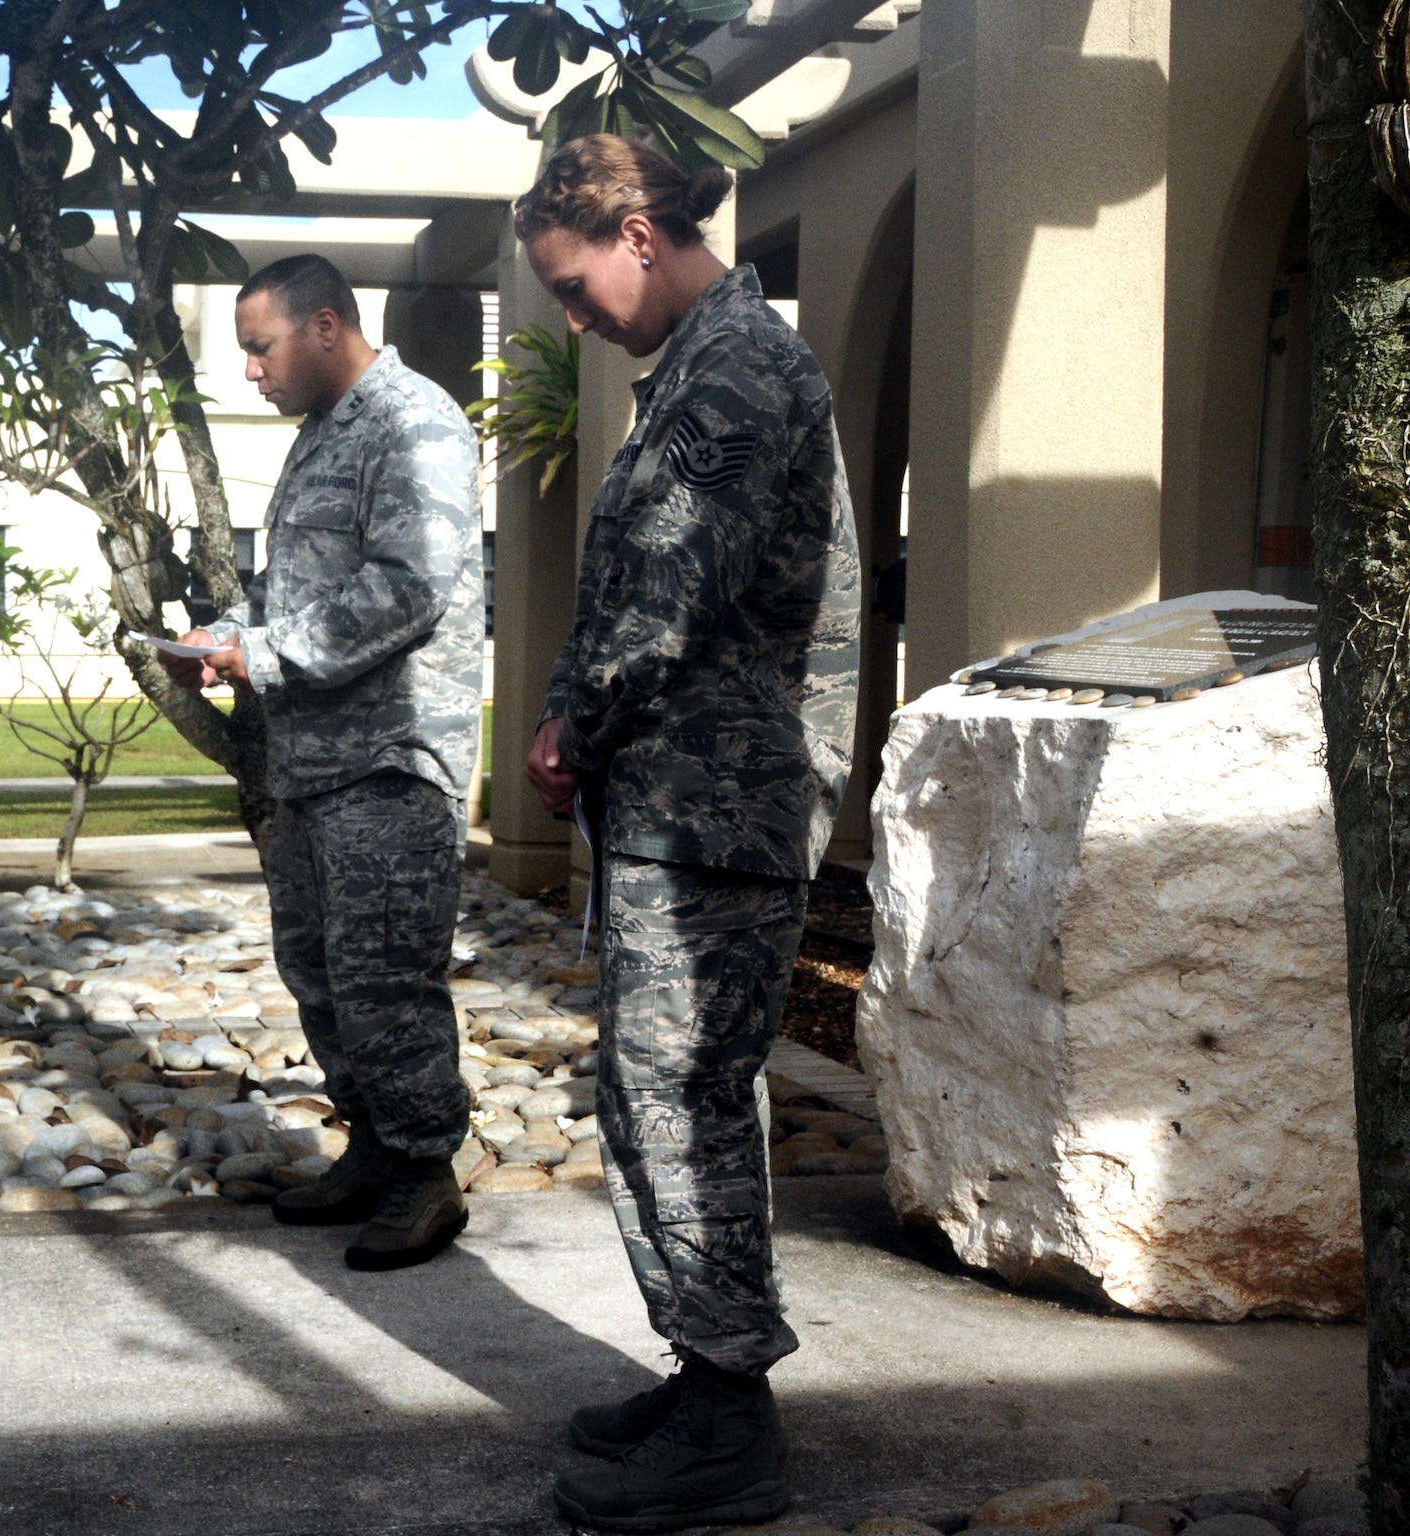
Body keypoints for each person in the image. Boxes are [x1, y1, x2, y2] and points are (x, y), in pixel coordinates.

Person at [516, 136, 862, 1530]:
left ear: (641, 233)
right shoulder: (692, 373)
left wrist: (573, 727)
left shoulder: (736, 372)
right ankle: (711, 1372)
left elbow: (664, 598)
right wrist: (568, 718)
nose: (571, 315)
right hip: (678, 805)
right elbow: (624, 590)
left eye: (575, 282)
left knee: (682, 1100)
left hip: (720, 810)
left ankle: (728, 1416)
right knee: (669, 1096)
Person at [158, 253, 485, 1272]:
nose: (250, 370)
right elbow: (296, 591)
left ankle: (426, 1175)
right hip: (313, 765)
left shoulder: (410, 423)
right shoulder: (321, 440)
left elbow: (409, 586)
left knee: (386, 976)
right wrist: (227, 632)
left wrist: (261, 654)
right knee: (321, 970)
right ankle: (375, 1148)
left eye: (260, 347)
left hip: (388, 761)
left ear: (327, 326)